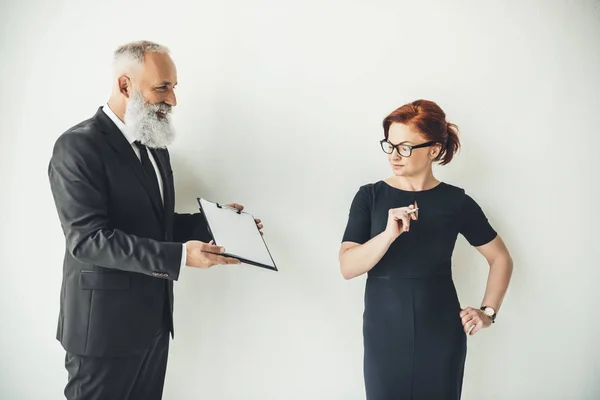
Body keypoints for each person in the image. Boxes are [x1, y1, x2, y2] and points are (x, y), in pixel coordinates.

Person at [48, 40, 263, 400]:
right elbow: (88, 240)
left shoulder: (155, 146)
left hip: (154, 327)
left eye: (174, 87)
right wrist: (180, 257)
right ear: (124, 85)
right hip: (102, 332)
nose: (173, 100)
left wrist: (215, 224)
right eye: (162, 87)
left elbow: (156, 226)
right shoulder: (77, 146)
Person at [339, 99, 513, 399]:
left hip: (442, 330)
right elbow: (348, 267)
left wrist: (487, 312)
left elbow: (500, 258)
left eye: (405, 147)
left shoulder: (456, 201)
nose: (394, 155)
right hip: (385, 330)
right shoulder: (369, 196)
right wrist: (387, 234)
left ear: (433, 150)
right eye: (390, 145)